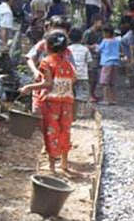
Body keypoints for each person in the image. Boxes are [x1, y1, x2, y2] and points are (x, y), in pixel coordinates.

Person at [20, 31, 77, 172]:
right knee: (65, 130)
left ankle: (52, 166)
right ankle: (64, 163)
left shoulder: (47, 62)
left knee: (51, 131)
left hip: (52, 103)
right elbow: (74, 79)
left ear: (48, 46)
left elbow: (47, 84)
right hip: (67, 102)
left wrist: (29, 87)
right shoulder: (68, 64)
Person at [25, 15, 73, 114]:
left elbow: (72, 70)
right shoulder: (42, 45)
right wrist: (35, 71)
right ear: (48, 28)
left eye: (62, 29)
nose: (58, 32)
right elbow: (30, 58)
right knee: (37, 110)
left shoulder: (67, 51)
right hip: (40, 84)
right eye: (55, 28)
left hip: (58, 89)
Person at [97, 23, 120, 105]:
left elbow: (98, 49)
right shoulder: (116, 41)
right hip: (116, 62)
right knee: (112, 83)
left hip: (106, 63)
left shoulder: (105, 41)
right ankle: (113, 99)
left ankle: (106, 99)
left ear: (107, 33)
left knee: (105, 82)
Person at [82, 15, 104, 102]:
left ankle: (93, 93)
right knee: (91, 75)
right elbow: (83, 44)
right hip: (90, 57)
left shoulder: (100, 33)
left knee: (96, 77)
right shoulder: (88, 33)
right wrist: (92, 47)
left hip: (97, 56)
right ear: (95, 21)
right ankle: (89, 94)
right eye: (101, 22)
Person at [69, 27, 93, 101]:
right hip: (83, 75)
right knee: (83, 96)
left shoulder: (68, 49)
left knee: (71, 95)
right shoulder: (85, 49)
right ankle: (81, 110)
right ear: (81, 38)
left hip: (71, 75)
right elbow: (89, 63)